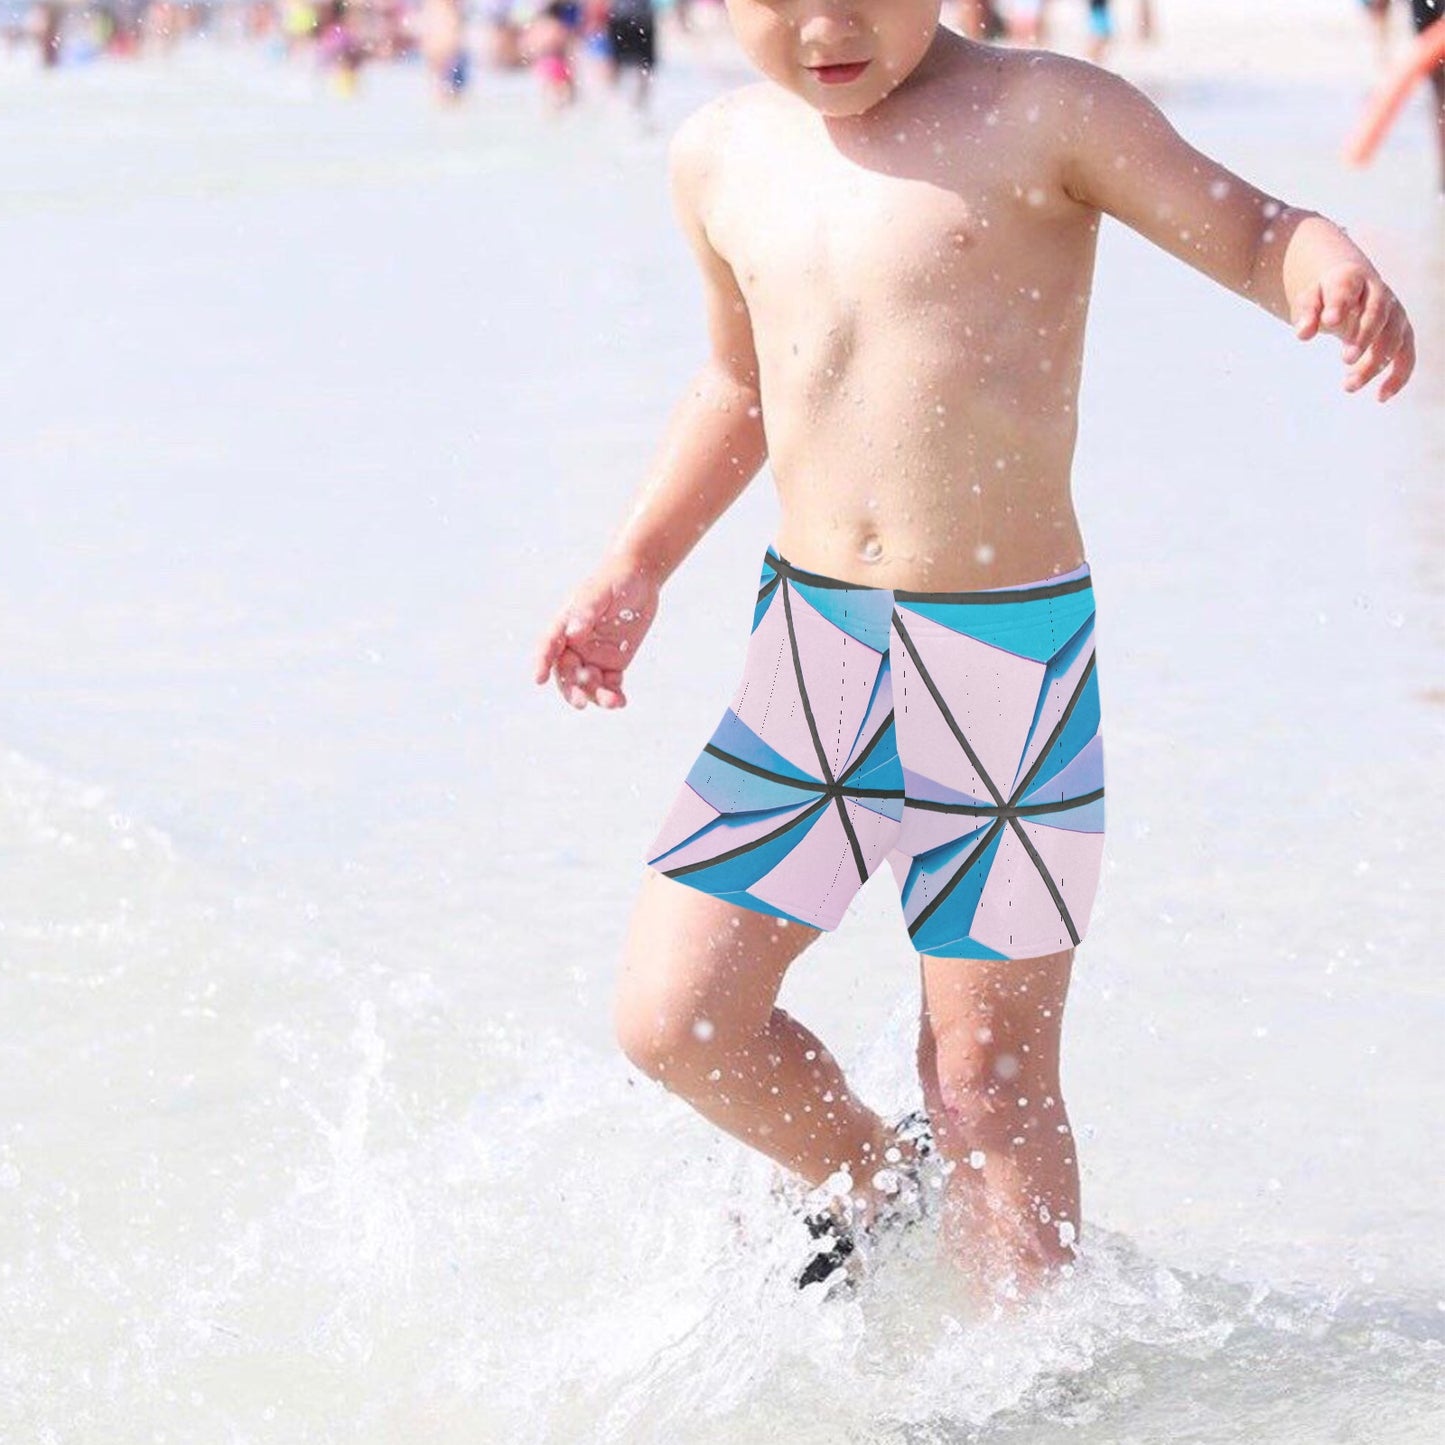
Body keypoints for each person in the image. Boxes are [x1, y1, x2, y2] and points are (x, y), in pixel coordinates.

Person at [532, 0, 1415, 1309]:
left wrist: (1317, 257)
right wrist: (637, 560)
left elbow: (1248, 227)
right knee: (673, 1016)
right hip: (812, 655)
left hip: (1005, 666)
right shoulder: (719, 152)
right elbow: (739, 382)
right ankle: (870, 1182)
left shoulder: (1046, 110)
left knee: (987, 1079)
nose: (827, 26)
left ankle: (1021, 1378)